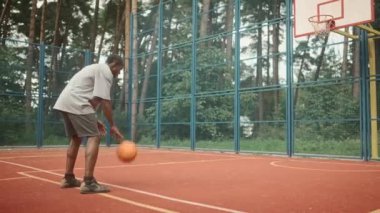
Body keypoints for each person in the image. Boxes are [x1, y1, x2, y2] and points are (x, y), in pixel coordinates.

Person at [54, 54, 124, 194]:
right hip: (77, 103)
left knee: (76, 138)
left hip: (66, 102)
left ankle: (68, 178)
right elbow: (105, 102)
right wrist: (113, 125)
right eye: (119, 69)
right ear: (114, 64)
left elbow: (93, 100)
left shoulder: (95, 69)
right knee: (94, 136)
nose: (119, 72)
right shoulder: (106, 72)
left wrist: (95, 119)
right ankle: (89, 182)